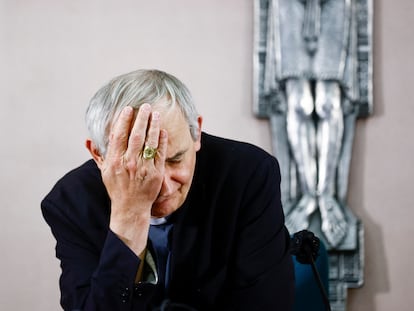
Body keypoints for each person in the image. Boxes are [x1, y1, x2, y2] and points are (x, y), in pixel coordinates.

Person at [41, 69, 294, 310]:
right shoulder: (70, 202)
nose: (160, 184)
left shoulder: (247, 175)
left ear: (196, 135)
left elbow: (266, 304)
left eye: (175, 160)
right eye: (136, 166)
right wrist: (130, 216)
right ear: (99, 155)